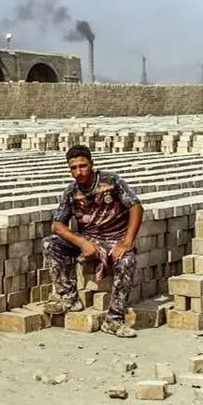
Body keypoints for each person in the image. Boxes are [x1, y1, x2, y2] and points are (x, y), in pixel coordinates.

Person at [41, 144, 143, 338]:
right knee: (49, 243)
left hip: (114, 239)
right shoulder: (71, 192)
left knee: (127, 260)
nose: (78, 172)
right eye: (73, 168)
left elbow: (136, 207)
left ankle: (114, 319)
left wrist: (127, 241)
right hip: (89, 239)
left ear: (92, 164)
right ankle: (69, 298)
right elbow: (57, 225)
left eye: (83, 166)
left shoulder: (111, 182)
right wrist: (82, 243)